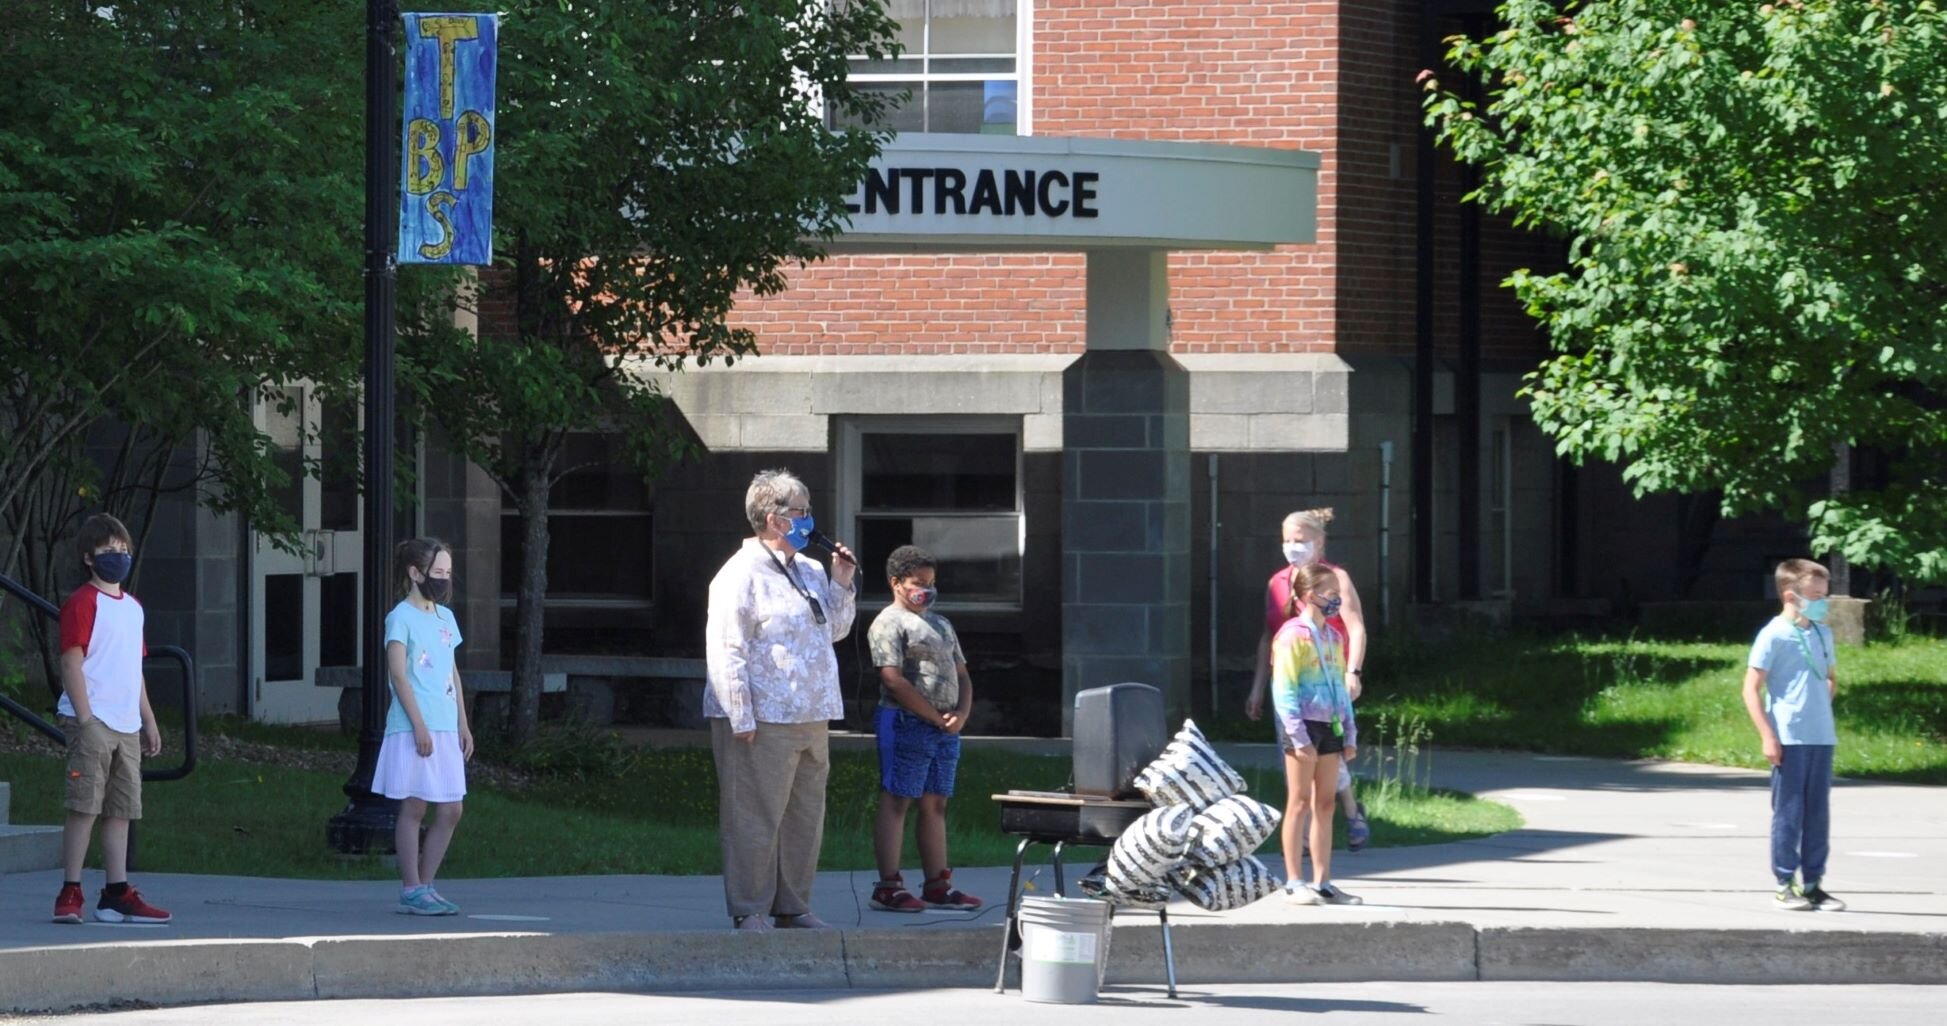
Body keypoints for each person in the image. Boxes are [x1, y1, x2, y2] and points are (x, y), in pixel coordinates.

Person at [705, 469, 857, 932]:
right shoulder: (739, 574)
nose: (809, 520)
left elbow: (834, 631)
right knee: (754, 815)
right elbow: (726, 647)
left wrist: (842, 583)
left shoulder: (810, 570)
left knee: (804, 817)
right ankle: (750, 907)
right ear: (773, 519)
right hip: (762, 716)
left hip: (812, 713)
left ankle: (792, 904)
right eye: (801, 512)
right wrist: (740, 715)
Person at [51, 514, 170, 924]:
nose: (117, 557)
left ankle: (116, 892)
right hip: (92, 720)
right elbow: (71, 661)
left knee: (121, 808)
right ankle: (70, 889)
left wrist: (148, 720)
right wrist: (85, 719)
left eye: (122, 550)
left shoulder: (132, 609)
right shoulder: (83, 603)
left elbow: (133, 669)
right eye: (107, 551)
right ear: (88, 557)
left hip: (126, 724)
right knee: (84, 805)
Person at [1246, 507, 1370, 850]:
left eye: (1300, 541)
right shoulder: (1278, 582)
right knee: (1296, 752)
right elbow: (1267, 637)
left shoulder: (1336, 579)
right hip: (1288, 682)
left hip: (1327, 681)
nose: (1292, 547)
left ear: (1319, 542)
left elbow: (1356, 627)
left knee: (1327, 750)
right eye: (1287, 540)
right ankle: (1309, 831)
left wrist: (1352, 672)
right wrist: (1258, 686)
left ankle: (1338, 816)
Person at [866, 545, 982, 913]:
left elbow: (962, 674)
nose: (926, 591)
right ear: (896, 583)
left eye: (931, 583)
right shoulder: (889, 622)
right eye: (918, 583)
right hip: (904, 722)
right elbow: (894, 680)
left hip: (945, 728)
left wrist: (960, 714)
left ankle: (937, 883)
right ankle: (889, 884)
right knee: (898, 797)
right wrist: (933, 715)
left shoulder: (941, 623)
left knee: (935, 801)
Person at [373, 537, 475, 916]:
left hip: (446, 725)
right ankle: (411, 887)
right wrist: (418, 726)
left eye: (448, 573)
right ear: (415, 574)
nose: (444, 580)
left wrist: (463, 723)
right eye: (437, 573)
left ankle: (427, 884)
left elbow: (451, 671)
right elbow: (398, 675)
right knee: (415, 805)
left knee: (451, 809)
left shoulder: (445, 617)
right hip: (415, 724)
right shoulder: (400, 617)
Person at [1743, 558, 1845, 913]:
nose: (1823, 601)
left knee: (1818, 813)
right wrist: (1768, 735)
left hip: (1821, 735)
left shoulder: (1822, 633)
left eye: (1824, 594)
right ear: (1791, 595)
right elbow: (1750, 688)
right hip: (1789, 737)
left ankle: (1814, 883)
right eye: (1816, 595)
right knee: (1789, 812)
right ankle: (1784, 883)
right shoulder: (1774, 634)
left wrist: (1819, 704)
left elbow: (1829, 677)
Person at [1270, 563, 1360, 905]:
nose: (1337, 599)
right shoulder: (1292, 635)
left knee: (1325, 803)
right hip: (1302, 726)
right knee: (1299, 802)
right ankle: (1294, 881)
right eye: (1331, 593)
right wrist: (1297, 735)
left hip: (1330, 725)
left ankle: (1324, 881)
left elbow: (1339, 687)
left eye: (1338, 593)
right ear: (1310, 596)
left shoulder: (1334, 637)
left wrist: (1349, 732)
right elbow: (1284, 690)